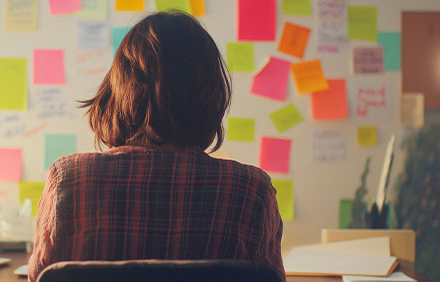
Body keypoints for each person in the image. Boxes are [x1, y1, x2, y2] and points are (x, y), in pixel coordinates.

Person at [28, 11, 284, 281]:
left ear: (118, 91)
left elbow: (40, 277)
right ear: (213, 97)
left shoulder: (69, 179)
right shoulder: (253, 192)